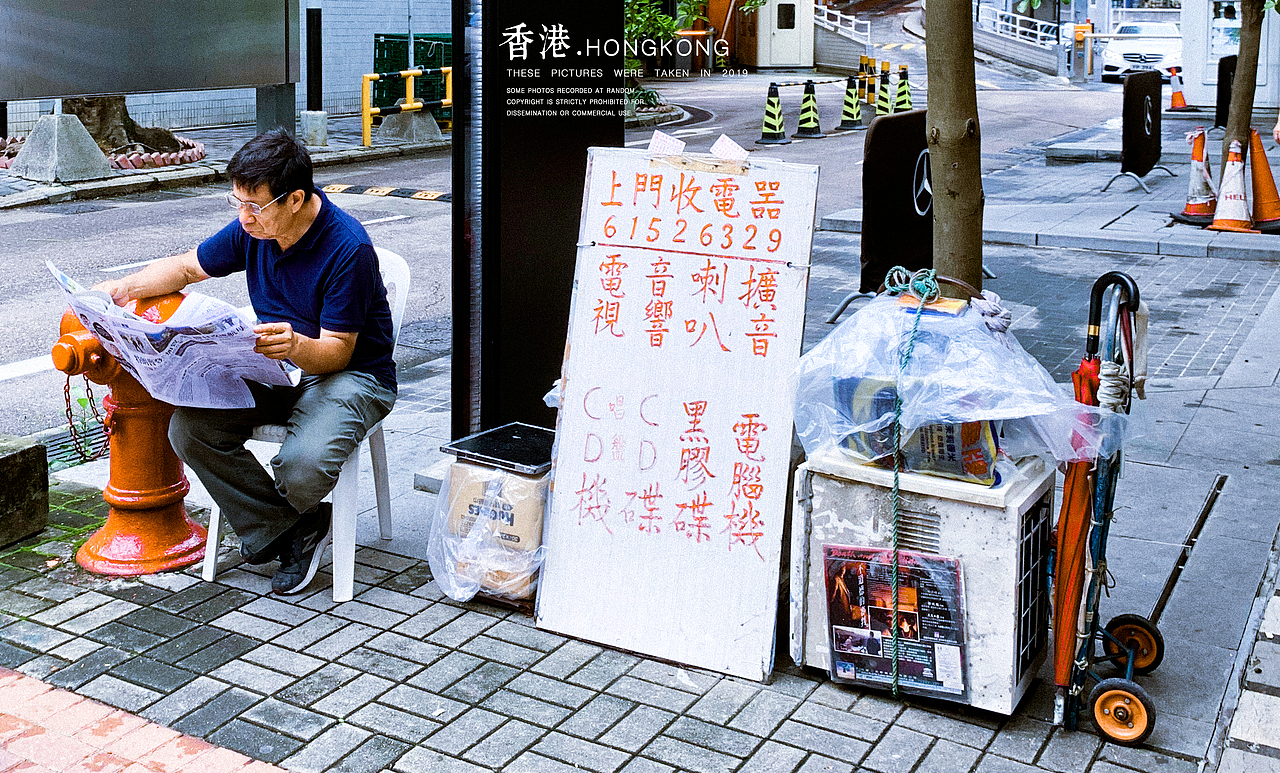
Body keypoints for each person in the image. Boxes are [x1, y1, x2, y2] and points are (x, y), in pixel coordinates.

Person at [95, 129, 397, 595]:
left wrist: (295, 344)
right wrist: (118, 290)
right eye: (236, 202)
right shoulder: (254, 228)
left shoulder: (347, 248)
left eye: (254, 206)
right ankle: (297, 526)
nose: (244, 217)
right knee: (190, 430)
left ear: (295, 199)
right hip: (277, 366)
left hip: (351, 374)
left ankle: (284, 522)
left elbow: (337, 351)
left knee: (301, 466)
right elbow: (187, 267)